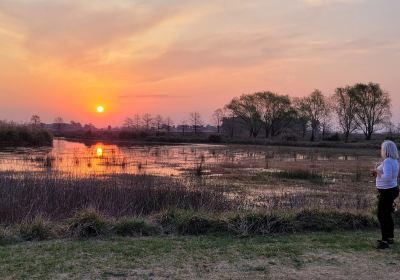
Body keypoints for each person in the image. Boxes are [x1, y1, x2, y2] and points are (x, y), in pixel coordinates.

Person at [372, 140, 399, 249]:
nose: (381, 150)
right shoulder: (394, 161)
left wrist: (376, 171)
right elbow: (388, 176)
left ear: (386, 150)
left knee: (382, 215)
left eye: (382, 149)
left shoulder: (388, 161)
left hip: (387, 192)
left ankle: (385, 241)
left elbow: (387, 177)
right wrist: (377, 174)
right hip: (391, 190)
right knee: (387, 214)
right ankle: (389, 238)